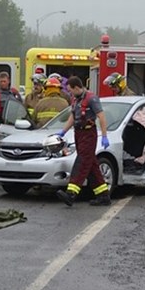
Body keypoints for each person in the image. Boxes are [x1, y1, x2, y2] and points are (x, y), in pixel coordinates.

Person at [55, 76, 111, 206]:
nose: (70, 93)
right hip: (79, 133)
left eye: (70, 90)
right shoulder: (75, 99)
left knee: (81, 162)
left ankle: (71, 194)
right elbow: (73, 116)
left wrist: (104, 135)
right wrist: (63, 131)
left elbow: (101, 117)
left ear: (76, 87)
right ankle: (103, 195)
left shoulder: (92, 98)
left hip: (88, 134)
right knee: (91, 165)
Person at [0, 71, 22, 142]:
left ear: (8, 81)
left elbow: (20, 105)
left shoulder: (13, 92)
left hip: (12, 122)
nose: (3, 83)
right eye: (1, 81)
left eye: (4, 81)